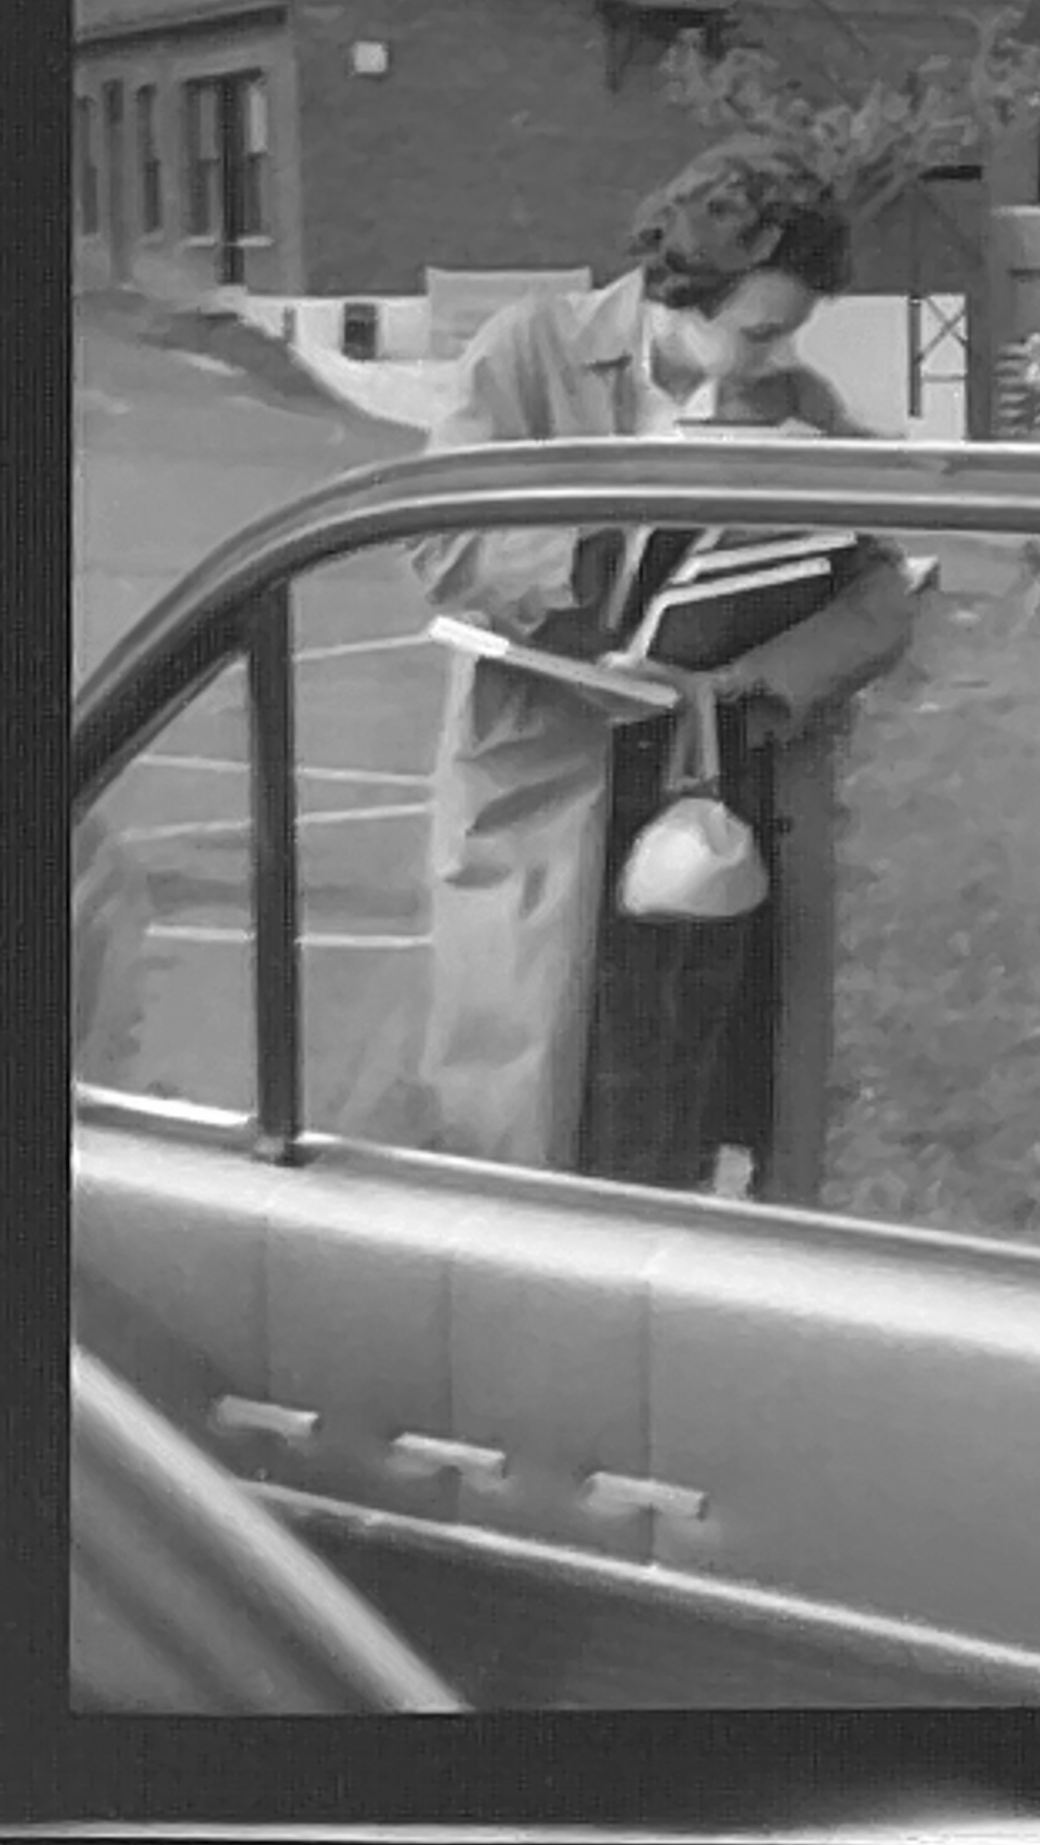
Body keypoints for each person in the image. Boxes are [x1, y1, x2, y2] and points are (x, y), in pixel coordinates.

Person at [344, 138, 916, 1189]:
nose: (778, 357)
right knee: (529, 1080)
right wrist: (616, 538)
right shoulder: (531, 355)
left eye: (792, 332)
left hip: (713, 761)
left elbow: (881, 593)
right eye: (759, 331)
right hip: (551, 769)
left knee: (682, 1062)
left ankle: (662, 1241)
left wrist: (755, 682)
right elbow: (437, 540)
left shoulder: (797, 405)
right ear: (677, 292)